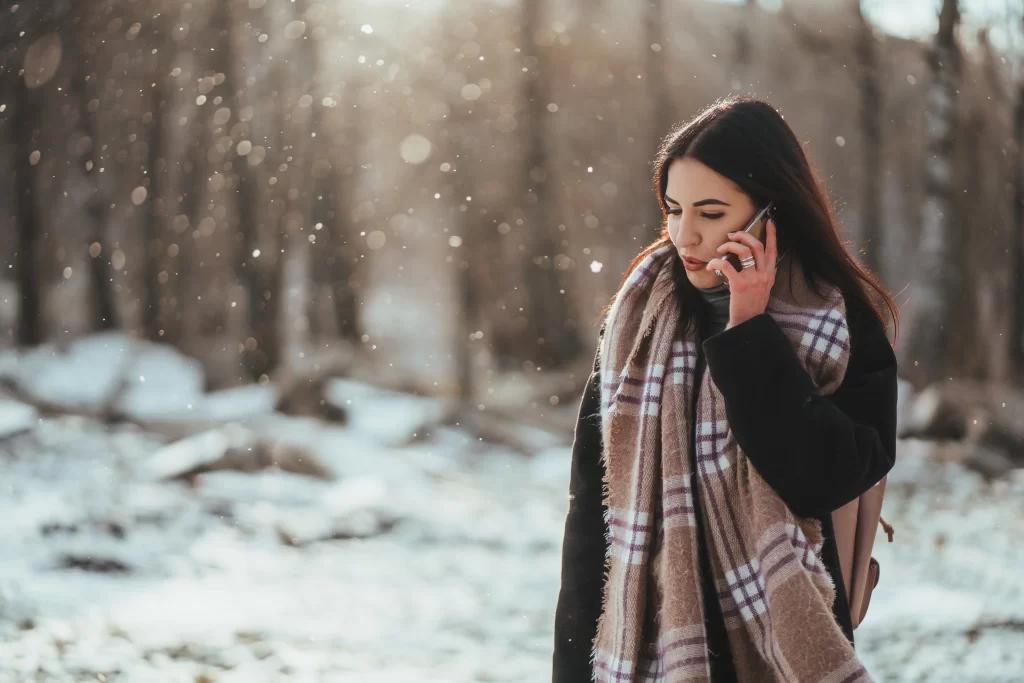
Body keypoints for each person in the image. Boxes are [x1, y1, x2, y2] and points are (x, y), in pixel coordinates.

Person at [552, 96, 899, 683]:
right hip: (655, 640)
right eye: (672, 210)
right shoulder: (637, 322)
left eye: (711, 214)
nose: (684, 235)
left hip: (782, 640)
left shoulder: (841, 321)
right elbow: (595, 516)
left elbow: (822, 476)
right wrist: (571, 669)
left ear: (772, 212)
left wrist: (751, 331)